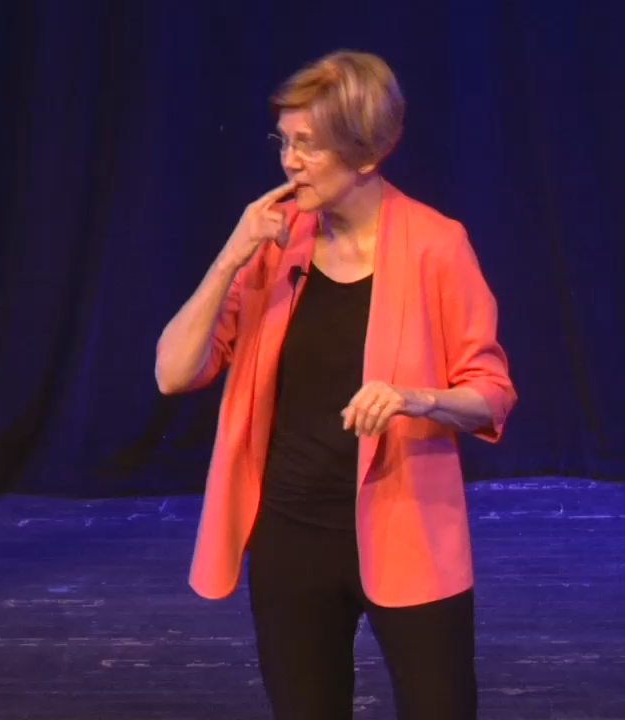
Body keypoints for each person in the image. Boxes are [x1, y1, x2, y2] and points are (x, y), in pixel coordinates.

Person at [154, 50, 516, 720]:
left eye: (309, 146)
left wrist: (417, 397)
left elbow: (490, 391)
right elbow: (174, 371)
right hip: (291, 536)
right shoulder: (273, 244)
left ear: (368, 153)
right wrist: (231, 253)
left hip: (407, 533)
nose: (290, 162)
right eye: (285, 142)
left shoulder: (438, 245)